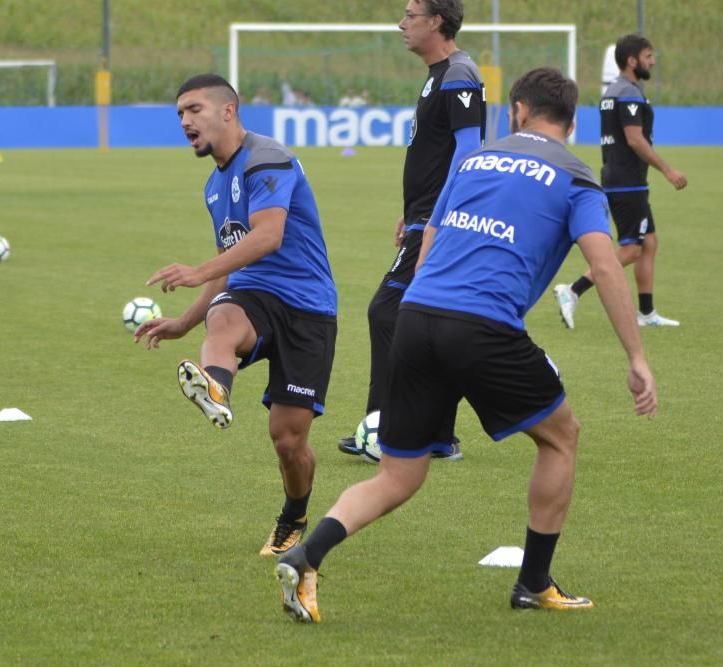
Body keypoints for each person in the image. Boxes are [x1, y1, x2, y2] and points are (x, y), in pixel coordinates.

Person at [275, 66, 658, 623]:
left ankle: (308, 553)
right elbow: (604, 265)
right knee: (560, 438)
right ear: (570, 123)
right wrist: (636, 358)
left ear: (519, 110)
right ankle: (533, 584)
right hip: (481, 327)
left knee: (397, 476)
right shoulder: (577, 178)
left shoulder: (475, 160)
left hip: (417, 315)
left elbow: (429, 238)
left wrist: (427, 306)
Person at [135, 74, 338, 558]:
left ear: (228, 110)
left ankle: (294, 516)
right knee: (223, 320)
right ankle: (216, 386)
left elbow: (267, 236)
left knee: (288, 441)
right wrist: (185, 321)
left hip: (309, 306)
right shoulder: (212, 185)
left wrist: (196, 270)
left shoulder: (267, 157)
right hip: (254, 295)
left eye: (194, 109)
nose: (185, 121)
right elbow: (233, 263)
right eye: (180, 113)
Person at [338, 0, 485, 460]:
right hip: (425, 218)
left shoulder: (459, 73)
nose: (401, 24)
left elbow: (468, 153)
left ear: (436, 21)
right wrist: (414, 211)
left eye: (410, 15)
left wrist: (436, 218)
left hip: (439, 224)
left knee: (387, 312)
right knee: (427, 321)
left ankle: (387, 429)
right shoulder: (440, 74)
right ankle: (437, 437)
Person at [554, 34, 687, 329]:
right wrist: (667, 170)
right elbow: (635, 139)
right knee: (631, 249)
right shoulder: (627, 93)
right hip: (627, 181)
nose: (652, 61)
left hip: (622, 178)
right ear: (632, 60)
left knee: (648, 242)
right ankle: (572, 290)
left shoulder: (614, 91)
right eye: (648, 56)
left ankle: (647, 313)